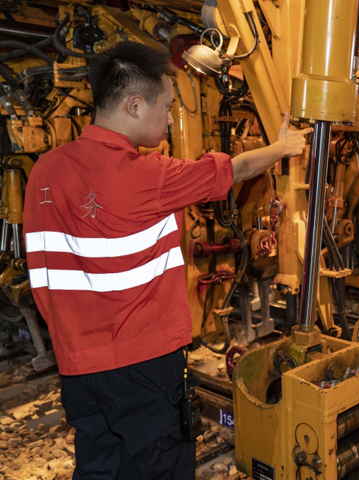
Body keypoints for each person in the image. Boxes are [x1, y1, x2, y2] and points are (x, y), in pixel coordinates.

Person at [22, 41, 311, 479]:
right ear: (134, 105)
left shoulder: (44, 171)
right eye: (167, 106)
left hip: (79, 367)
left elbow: (42, 272)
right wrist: (284, 147)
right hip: (144, 369)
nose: (171, 118)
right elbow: (234, 170)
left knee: (99, 467)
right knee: (160, 467)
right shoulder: (148, 176)